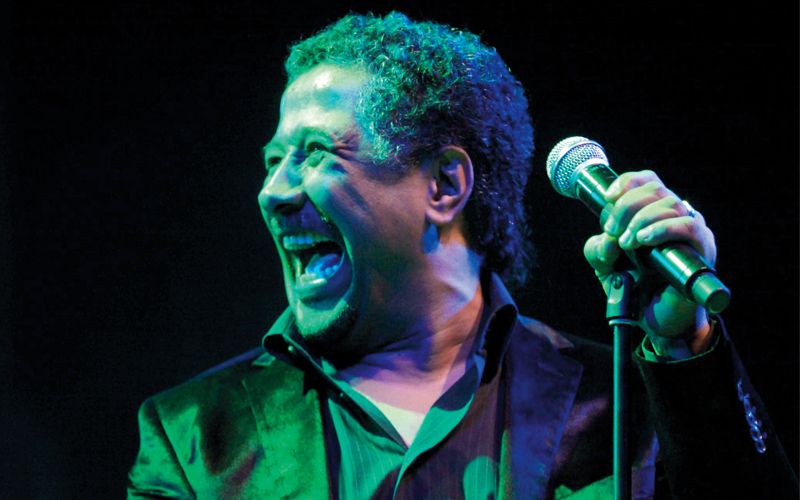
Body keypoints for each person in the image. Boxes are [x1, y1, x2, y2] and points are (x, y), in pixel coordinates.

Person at [127, 12, 797, 499]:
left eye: (314, 154)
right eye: (273, 160)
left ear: (445, 185)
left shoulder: (622, 407)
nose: (273, 192)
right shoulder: (196, 437)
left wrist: (685, 344)